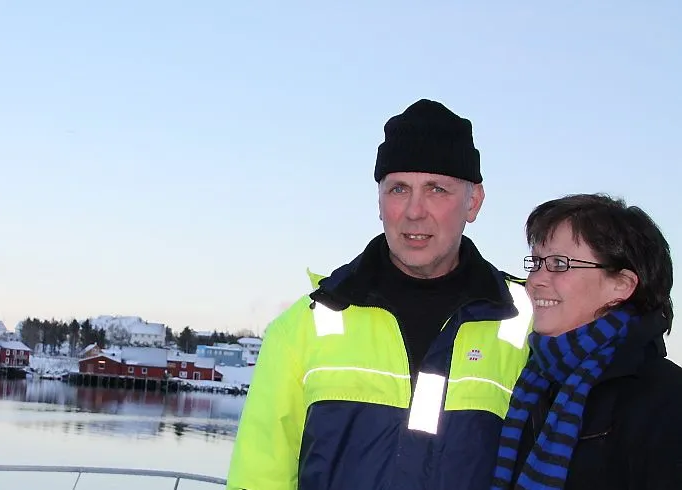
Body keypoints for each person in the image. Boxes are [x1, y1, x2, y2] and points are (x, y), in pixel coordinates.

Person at [226, 99, 535, 490]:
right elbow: (257, 478)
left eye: (437, 189)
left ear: (473, 202)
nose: (414, 211)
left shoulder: (528, 326)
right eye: (399, 188)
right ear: (379, 201)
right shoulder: (302, 328)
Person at [491, 194, 682, 490]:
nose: (535, 280)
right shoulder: (535, 385)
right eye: (537, 262)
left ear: (621, 285)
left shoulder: (666, 399)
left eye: (557, 263)